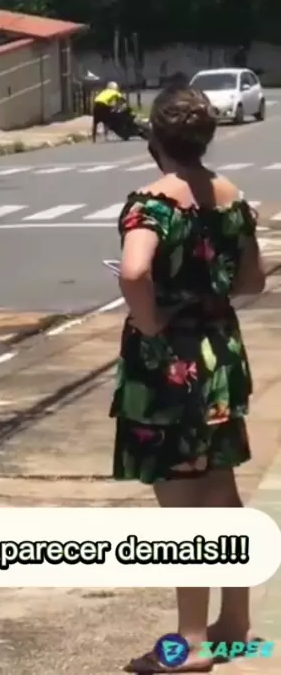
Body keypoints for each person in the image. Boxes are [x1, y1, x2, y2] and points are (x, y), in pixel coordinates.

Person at [111, 85, 265, 673]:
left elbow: (134, 271)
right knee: (221, 494)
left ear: (156, 138)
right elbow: (252, 282)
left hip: (168, 369)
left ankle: (192, 641)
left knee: (182, 511)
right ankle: (233, 624)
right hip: (220, 355)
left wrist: (151, 322)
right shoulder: (232, 200)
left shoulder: (152, 204)